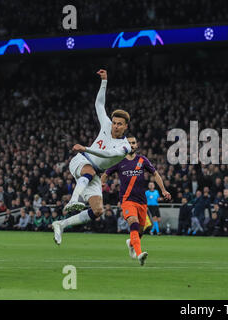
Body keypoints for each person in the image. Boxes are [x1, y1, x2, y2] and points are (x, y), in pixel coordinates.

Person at [52, 70, 132, 245]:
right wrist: (104, 82)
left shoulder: (125, 146)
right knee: (89, 170)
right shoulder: (106, 123)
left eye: (120, 124)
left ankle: (61, 224)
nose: (115, 126)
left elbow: (109, 154)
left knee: (97, 210)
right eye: (115, 122)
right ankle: (73, 200)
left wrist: (86, 146)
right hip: (81, 161)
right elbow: (99, 104)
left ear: (125, 126)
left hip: (93, 171)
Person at [101, 135, 171, 265]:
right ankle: (139, 254)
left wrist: (163, 190)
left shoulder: (142, 160)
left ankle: (131, 243)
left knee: (140, 231)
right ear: (125, 145)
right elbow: (105, 174)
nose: (132, 145)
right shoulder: (119, 161)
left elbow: (155, 174)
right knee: (133, 222)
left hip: (142, 201)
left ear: (137, 145)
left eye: (133, 143)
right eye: (129, 143)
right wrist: (100, 186)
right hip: (127, 200)